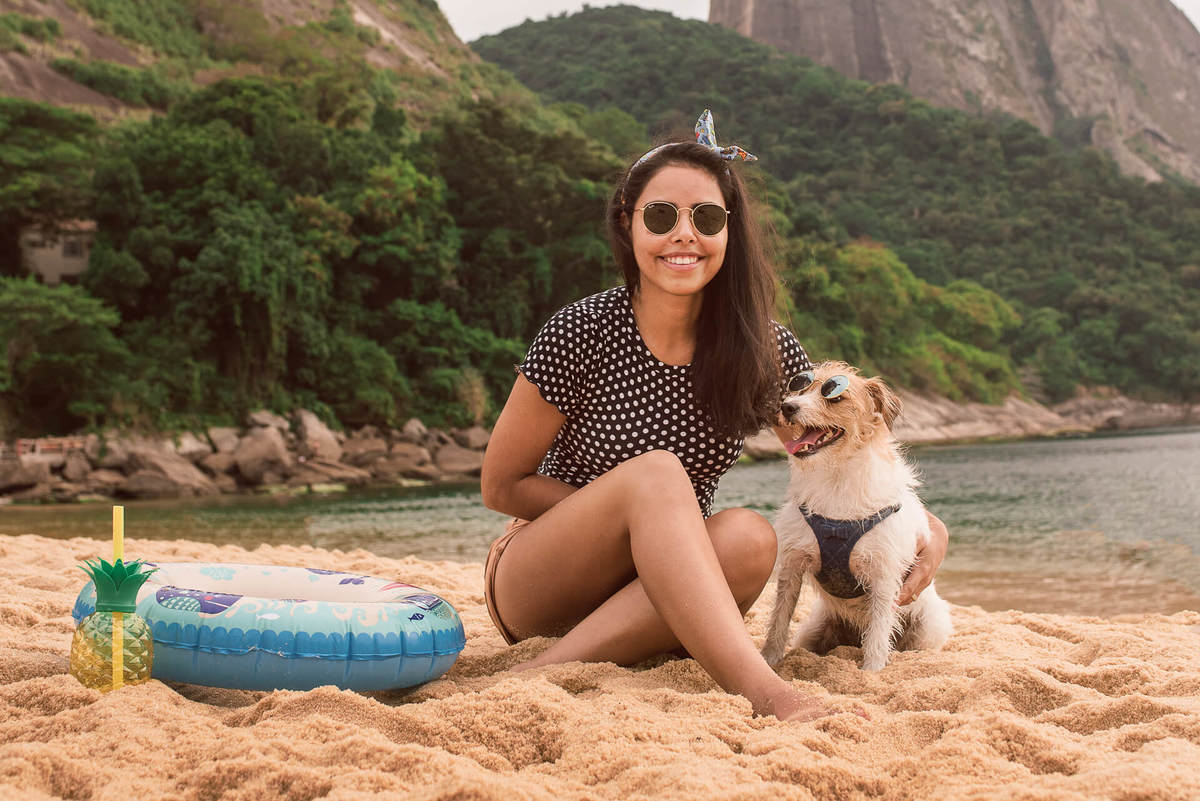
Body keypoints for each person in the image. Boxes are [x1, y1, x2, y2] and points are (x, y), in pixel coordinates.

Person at [480, 110, 948, 721]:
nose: (683, 235)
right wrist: (633, 520)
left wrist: (926, 525)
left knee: (753, 537)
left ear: (728, 230)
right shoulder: (581, 331)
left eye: (704, 218)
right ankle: (768, 693)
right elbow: (500, 485)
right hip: (543, 579)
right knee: (658, 475)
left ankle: (556, 667)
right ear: (628, 225)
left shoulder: (763, 350)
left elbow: (842, 442)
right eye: (659, 216)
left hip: (663, 592)